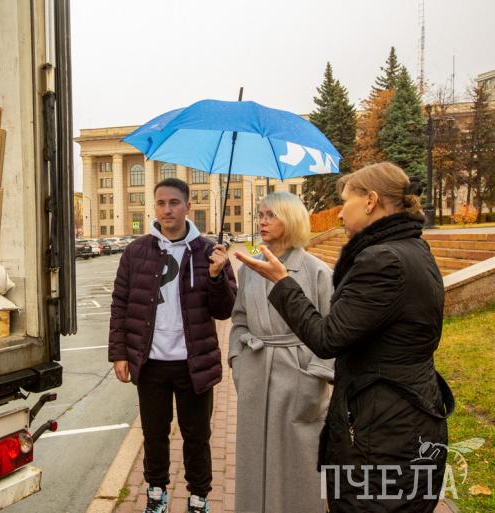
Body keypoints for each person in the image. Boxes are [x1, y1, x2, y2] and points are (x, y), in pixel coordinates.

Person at [235, 163, 455, 513]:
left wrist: (282, 283)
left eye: (345, 201)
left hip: (384, 425)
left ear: (370, 201)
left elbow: (328, 338)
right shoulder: (411, 248)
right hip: (401, 411)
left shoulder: (382, 260)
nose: (339, 214)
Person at [108, 177, 237, 513]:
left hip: (194, 363)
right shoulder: (136, 251)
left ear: (188, 206)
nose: (167, 210)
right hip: (150, 363)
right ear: (154, 207)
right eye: (161, 203)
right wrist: (119, 353)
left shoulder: (209, 252)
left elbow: (225, 310)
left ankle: (199, 497)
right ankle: (156, 494)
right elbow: (120, 303)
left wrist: (217, 276)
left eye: (174, 203)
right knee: (154, 434)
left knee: (197, 436)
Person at [228, 192, 333, 513]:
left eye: (271, 215)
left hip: (298, 377)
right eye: (260, 214)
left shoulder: (317, 271)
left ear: (291, 219)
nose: (262, 221)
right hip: (255, 374)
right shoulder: (249, 269)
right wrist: (239, 361)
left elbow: (332, 332)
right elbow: (239, 319)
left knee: (298, 461)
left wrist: (314, 380)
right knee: (254, 458)